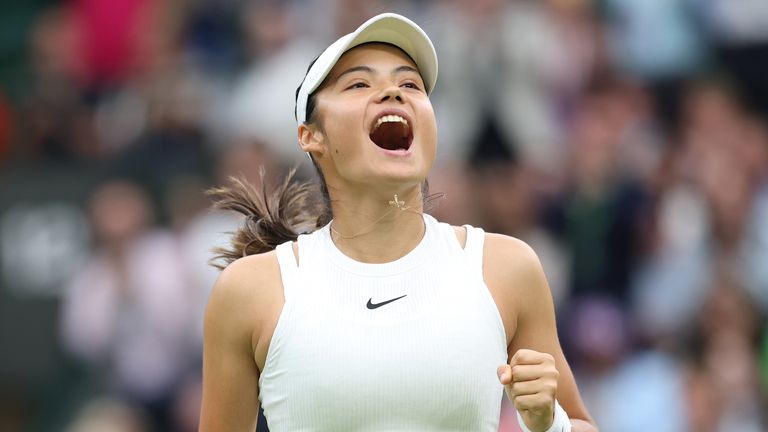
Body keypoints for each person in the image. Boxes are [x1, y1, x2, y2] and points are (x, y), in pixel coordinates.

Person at [199, 13, 598, 432]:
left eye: (410, 85)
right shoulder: (248, 290)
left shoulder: (507, 267)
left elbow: (578, 424)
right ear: (310, 135)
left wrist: (549, 422)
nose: (393, 91)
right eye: (359, 84)